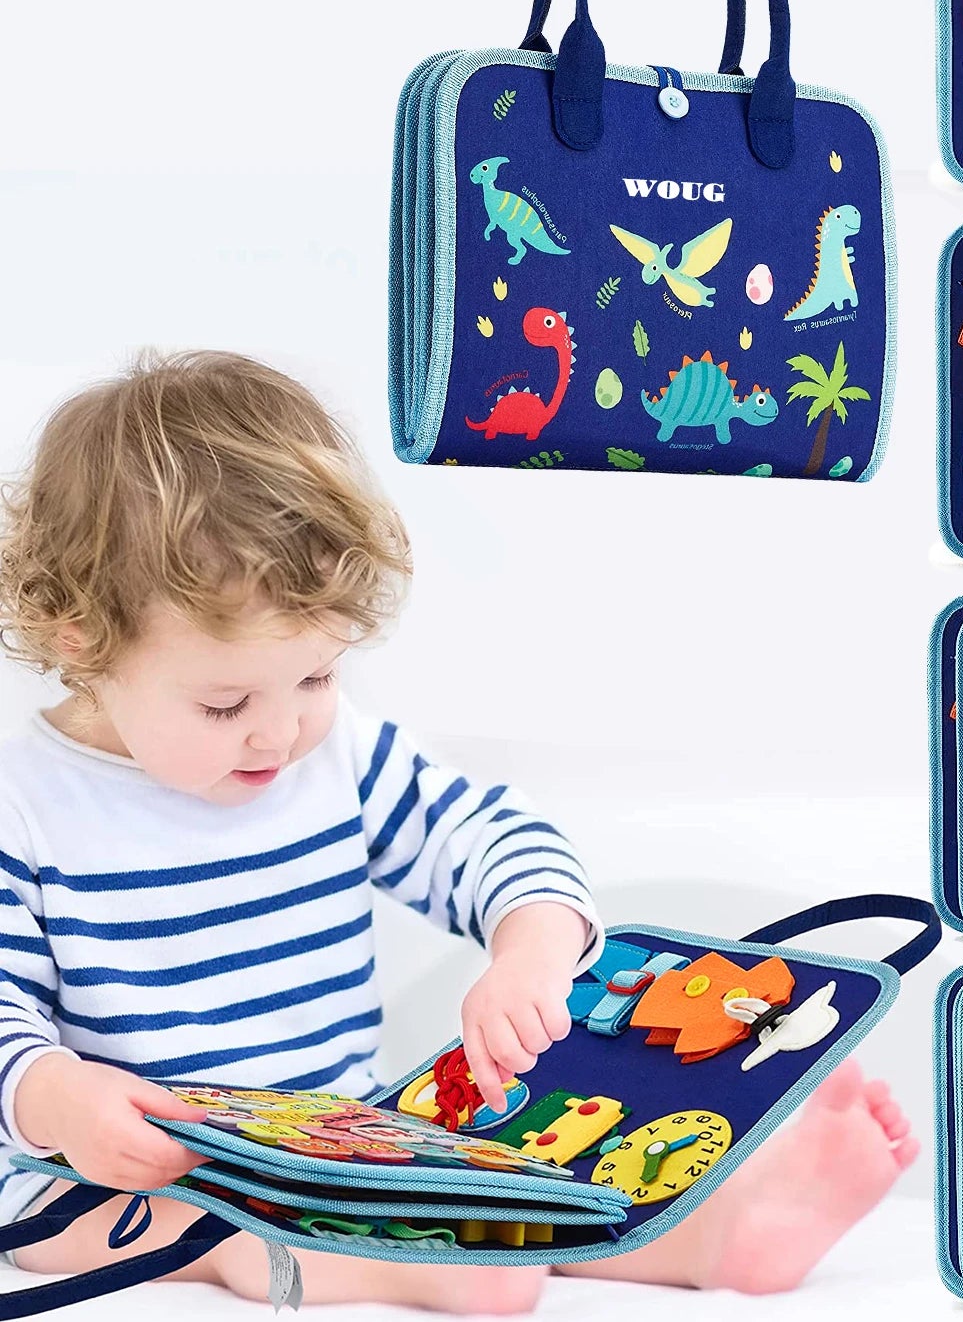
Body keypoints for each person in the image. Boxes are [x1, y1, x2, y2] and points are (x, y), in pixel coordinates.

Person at [0, 352, 915, 1310]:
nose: (280, 733)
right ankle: (359, 1257)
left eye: (317, 678)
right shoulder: (26, 809)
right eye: (226, 704)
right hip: (113, 1173)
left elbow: (487, 837)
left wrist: (530, 946)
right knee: (210, 1221)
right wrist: (60, 1097)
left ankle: (708, 1239)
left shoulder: (335, 756)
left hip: (342, 1144)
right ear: (83, 640)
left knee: (511, 1166)